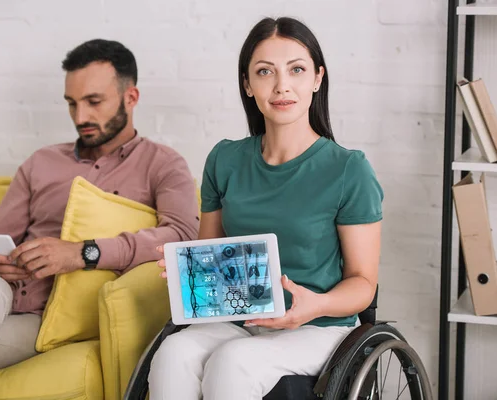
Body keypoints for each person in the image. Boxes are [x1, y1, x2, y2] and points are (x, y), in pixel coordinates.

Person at [0, 39, 199, 400]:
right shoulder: (41, 162)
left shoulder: (162, 164)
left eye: (94, 102)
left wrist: (83, 253)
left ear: (131, 97)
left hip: (49, 320)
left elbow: (184, 235)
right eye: (72, 104)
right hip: (0, 300)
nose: (80, 117)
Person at [148, 17, 383, 400]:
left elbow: (362, 282)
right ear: (247, 84)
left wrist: (314, 305)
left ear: (317, 78)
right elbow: (211, 261)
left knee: (233, 362)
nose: (281, 85)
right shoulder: (225, 160)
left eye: (296, 70)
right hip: (241, 319)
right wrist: (189, 273)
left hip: (319, 327)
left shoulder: (347, 169)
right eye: (264, 72)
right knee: (172, 353)